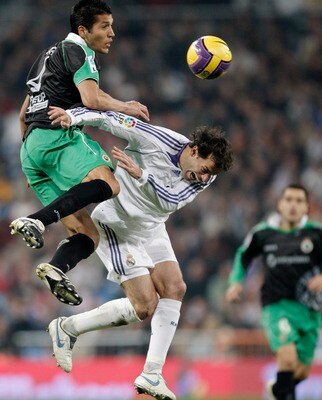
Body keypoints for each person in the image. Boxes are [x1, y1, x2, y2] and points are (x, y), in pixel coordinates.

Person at [45, 105, 233, 400]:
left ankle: (152, 374)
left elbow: (171, 200)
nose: (204, 178)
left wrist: (142, 174)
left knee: (175, 287)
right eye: (205, 169)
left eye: (211, 174)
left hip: (151, 227)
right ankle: (68, 327)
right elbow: (108, 118)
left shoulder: (207, 176)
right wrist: (73, 117)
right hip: (118, 224)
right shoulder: (155, 139)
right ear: (194, 150)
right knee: (144, 306)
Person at [9, 0, 149, 306]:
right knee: (110, 183)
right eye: (104, 26)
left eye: (112, 25)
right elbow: (91, 98)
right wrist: (126, 105)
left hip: (31, 149)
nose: (112, 32)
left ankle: (56, 268)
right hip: (56, 135)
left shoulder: (48, 55)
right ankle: (37, 220)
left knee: (87, 233)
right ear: (83, 30)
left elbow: (24, 113)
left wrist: (35, 159)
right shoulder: (79, 51)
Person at [226, 184, 322, 400]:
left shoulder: (316, 234)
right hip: (277, 307)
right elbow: (243, 256)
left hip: (310, 311)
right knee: (287, 359)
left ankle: (278, 389)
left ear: (307, 206)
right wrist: (235, 282)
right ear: (280, 204)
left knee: (302, 372)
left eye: (299, 201)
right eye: (288, 200)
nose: (293, 205)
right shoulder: (264, 233)